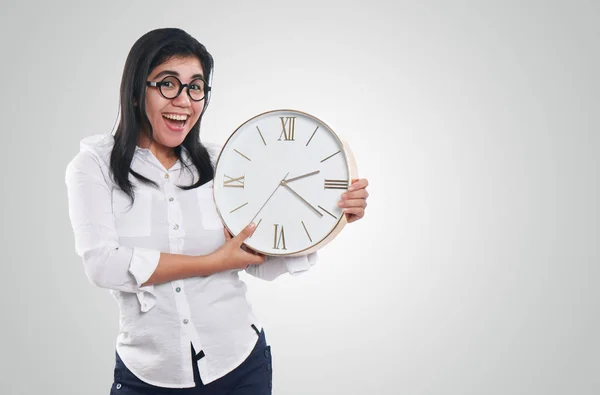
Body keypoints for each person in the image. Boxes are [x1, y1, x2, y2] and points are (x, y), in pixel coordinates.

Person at [65, 27, 369, 395]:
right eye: (167, 83)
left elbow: (257, 258)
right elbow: (103, 265)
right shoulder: (95, 166)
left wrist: (333, 219)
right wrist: (214, 262)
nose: (184, 100)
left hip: (239, 364)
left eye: (196, 87)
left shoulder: (219, 162)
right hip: (149, 376)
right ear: (134, 92)